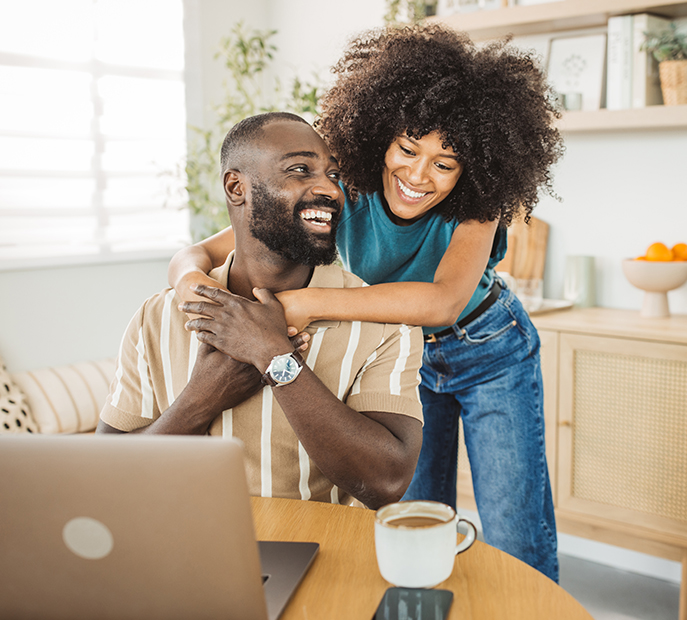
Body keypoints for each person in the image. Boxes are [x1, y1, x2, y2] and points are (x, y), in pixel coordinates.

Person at [170, 24, 563, 581]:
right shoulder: (341, 187)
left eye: (444, 163)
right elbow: (195, 253)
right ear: (381, 134)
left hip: (488, 350)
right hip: (401, 360)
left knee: (514, 523)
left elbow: (444, 301)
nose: (418, 175)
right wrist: (189, 282)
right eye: (407, 149)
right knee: (412, 518)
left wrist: (306, 304)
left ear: (472, 170)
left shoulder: (481, 202)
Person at [98, 112, 425, 511]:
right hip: (180, 556)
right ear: (237, 187)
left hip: (321, 558)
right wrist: (202, 397)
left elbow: (387, 482)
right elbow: (107, 475)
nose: (330, 190)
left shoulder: (385, 328)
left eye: (334, 175)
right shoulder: (157, 317)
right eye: (301, 170)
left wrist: (276, 360)